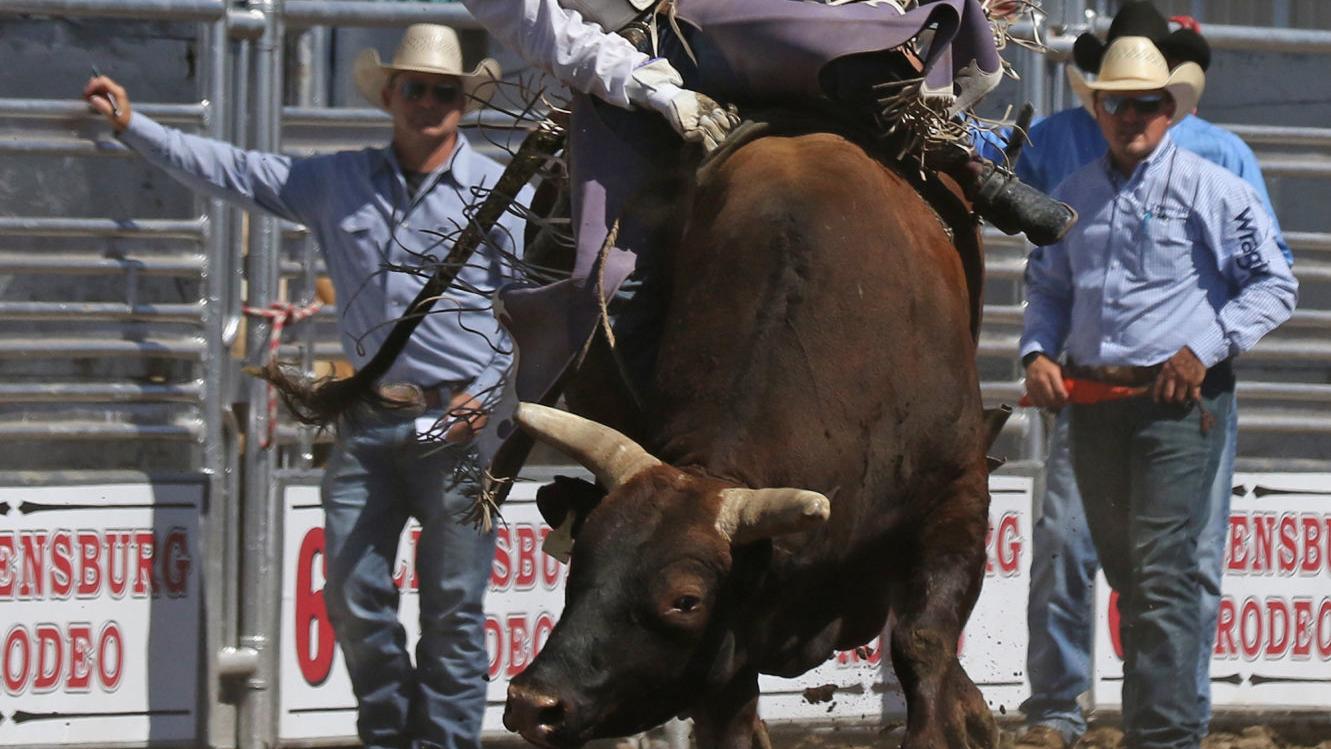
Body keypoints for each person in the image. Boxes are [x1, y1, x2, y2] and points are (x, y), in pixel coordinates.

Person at [86, 24, 533, 749]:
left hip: (461, 426)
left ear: (462, 103)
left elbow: (531, 312)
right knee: (352, 597)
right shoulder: (336, 181)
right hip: (369, 419)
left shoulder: (503, 192)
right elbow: (234, 170)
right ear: (390, 96)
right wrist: (136, 126)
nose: (428, 102)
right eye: (415, 88)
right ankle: (391, 734)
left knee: (453, 609)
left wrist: (484, 399)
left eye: (443, 92)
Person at [461, 0, 1077, 407]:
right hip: (638, 62)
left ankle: (960, 160)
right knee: (605, 291)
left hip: (744, 18)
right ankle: (637, 467)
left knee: (851, 52)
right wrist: (650, 88)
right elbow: (546, 30)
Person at [1010, 6, 1292, 748]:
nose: (1129, 116)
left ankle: (1162, 736)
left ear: (1170, 108)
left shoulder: (1213, 186)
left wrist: (1203, 346)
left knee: (1162, 577)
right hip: (1093, 404)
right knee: (1128, 574)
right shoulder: (1075, 193)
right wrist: (1037, 351)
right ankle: (1151, 726)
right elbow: (1048, 288)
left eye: (1144, 103)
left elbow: (1273, 282)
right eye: (1115, 103)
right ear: (1096, 107)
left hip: (1176, 406)